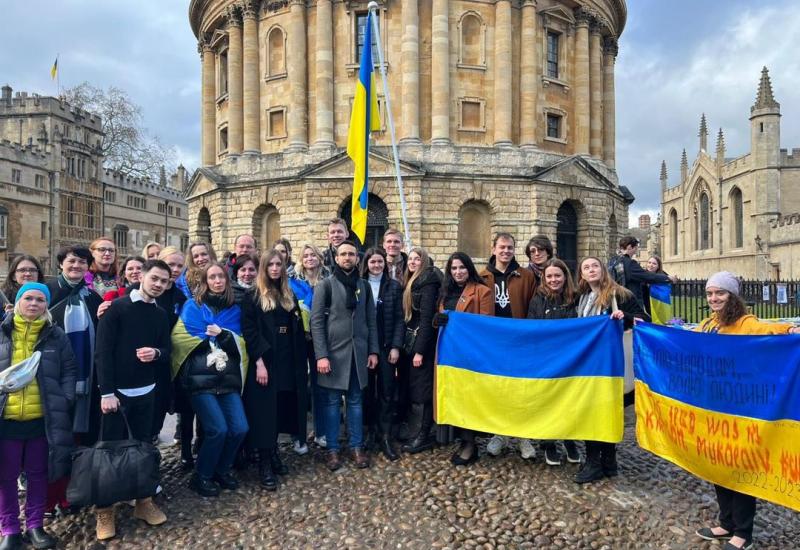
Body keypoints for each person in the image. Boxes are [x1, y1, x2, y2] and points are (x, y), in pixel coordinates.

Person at [694, 271, 799, 550]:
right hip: (714, 410)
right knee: (718, 466)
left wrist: (789, 330)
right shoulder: (707, 325)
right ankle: (725, 522)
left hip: (741, 411)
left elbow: (768, 330)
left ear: (732, 296)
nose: (714, 298)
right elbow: (685, 344)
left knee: (740, 468)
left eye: (720, 293)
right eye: (710, 293)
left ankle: (743, 532)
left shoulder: (746, 323)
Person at [93, 260, 172, 540]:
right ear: (143, 277)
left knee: (142, 450)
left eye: (165, 281)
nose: (159, 284)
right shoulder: (117, 309)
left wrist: (157, 354)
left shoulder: (161, 315)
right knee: (109, 454)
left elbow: (166, 349)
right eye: (155, 278)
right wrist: (106, 392)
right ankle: (105, 511)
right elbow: (102, 352)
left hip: (146, 391)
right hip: (116, 395)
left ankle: (144, 502)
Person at [0, 283, 76, 550]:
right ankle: (9, 528)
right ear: (18, 301)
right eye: (28, 298)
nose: (34, 304)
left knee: (38, 475)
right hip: (6, 419)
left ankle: (34, 525)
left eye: (40, 300)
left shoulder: (56, 336)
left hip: (42, 420)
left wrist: (65, 399)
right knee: (5, 478)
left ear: (46, 305)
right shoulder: (2, 333)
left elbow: (69, 371)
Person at [171, 263, 249, 498]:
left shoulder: (236, 310)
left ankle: (222, 470)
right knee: (217, 429)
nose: (217, 281)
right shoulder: (192, 307)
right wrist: (207, 340)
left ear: (226, 280)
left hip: (227, 378)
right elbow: (180, 339)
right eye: (212, 277)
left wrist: (224, 335)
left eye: (221, 277)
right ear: (205, 282)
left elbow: (243, 343)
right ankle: (201, 475)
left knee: (239, 428)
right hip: (200, 380)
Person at [573, 256, 643, 484]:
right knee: (592, 411)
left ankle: (603, 461)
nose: (591, 270)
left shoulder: (620, 295)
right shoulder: (582, 297)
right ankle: (601, 461)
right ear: (581, 274)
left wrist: (626, 318)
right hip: (589, 364)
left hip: (610, 364)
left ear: (603, 270)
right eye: (586, 267)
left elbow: (644, 320)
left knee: (604, 411)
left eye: (595, 266)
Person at [310, 241, 379, 471]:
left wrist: (373, 350)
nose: (347, 257)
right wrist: (321, 355)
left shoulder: (364, 286)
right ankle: (332, 449)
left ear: (357, 259)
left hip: (357, 354)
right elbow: (317, 322)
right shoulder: (325, 286)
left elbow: (371, 321)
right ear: (336, 258)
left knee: (356, 402)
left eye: (351, 254)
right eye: (343, 254)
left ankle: (356, 446)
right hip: (332, 354)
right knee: (331, 404)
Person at [241, 251, 307, 490]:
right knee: (264, 412)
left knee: (281, 408)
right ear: (264, 267)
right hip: (266, 359)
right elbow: (250, 330)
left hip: (287, 358)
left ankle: (275, 452)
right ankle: (264, 462)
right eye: (271, 264)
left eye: (280, 264)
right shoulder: (253, 296)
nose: (276, 268)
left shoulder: (288, 294)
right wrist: (259, 361)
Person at [480, 233, 536, 458]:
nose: (506, 251)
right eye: (502, 247)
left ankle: (523, 436)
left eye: (510, 247)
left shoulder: (526, 276)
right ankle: (499, 433)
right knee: (498, 387)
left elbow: (534, 306)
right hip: (494, 342)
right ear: (493, 249)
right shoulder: (482, 276)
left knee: (521, 388)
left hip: (520, 341)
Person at [437, 252, 493, 465]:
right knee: (455, 397)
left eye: (462, 267)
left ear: (469, 268)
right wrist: (438, 321)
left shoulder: (482, 292)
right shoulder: (445, 293)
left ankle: (471, 444)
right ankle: (461, 439)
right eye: (453, 268)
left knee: (470, 399)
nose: (458, 272)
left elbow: (486, 325)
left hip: (471, 353)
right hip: (449, 353)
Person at [526, 258, 581, 466]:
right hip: (546, 359)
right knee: (547, 400)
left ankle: (569, 439)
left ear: (565, 276)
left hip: (571, 358)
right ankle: (548, 442)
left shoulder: (575, 298)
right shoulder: (538, 300)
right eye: (549, 276)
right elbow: (532, 328)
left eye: (557, 275)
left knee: (568, 401)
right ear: (544, 278)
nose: (553, 279)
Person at [46, 246, 103, 441]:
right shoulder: (46, 291)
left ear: (88, 267)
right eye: (71, 261)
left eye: (82, 262)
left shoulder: (93, 297)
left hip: (85, 369)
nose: (76, 265)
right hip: (52, 367)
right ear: (61, 264)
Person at [360, 247, 404, 461]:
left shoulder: (394, 287)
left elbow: (399, 319)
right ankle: (370, 431)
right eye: (372, 262)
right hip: (366, 348)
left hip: (387, 347)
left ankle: (385, 434)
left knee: (387, 391)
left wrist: (396, 346)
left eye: (380, 262)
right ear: (366, 264)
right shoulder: (360, 286)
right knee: (367, 392)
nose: (376, 265)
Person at [400, 248, 442, 454]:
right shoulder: (412, 282)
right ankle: (417, 431)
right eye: (411, 258)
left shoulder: (428, 283)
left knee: (423, 391)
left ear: (424, 262)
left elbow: (426, 320)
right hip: (412, 343)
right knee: (414, 388)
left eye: (417, 259)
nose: (413, 262)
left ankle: (424, 435)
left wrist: (420, 352)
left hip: (422, 345)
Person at [290, 244, 330, 450]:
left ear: (319, 257)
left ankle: (321, 432)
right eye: (305, 255)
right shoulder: (292, 281)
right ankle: (299, 436)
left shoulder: (327, 279)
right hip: (298, 338)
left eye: (313, 254)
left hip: (321, 339)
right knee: (299, 388)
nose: (309, 258)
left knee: (320, 386)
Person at [611, 237, 676, 318]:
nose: (636, 251)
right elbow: (647, 276)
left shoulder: (613, 261)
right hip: (629, 303)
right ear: (630, 247)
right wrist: (667, 278)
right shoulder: (630, 263)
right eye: (635, 248)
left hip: (616, 301)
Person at [1, 256, 45, 320]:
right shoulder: (3, 298)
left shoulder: (48, 295)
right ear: (13, 276)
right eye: (22, 270)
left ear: (38, 274)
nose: (28, 274)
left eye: (32, 270)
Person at [642, 255, 668, 319]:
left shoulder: (662, 275)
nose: (651, 265)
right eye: (649, 262)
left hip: (658, 304)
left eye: (654, 264)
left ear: (658, 266)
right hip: (645, 305)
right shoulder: (642, 274)